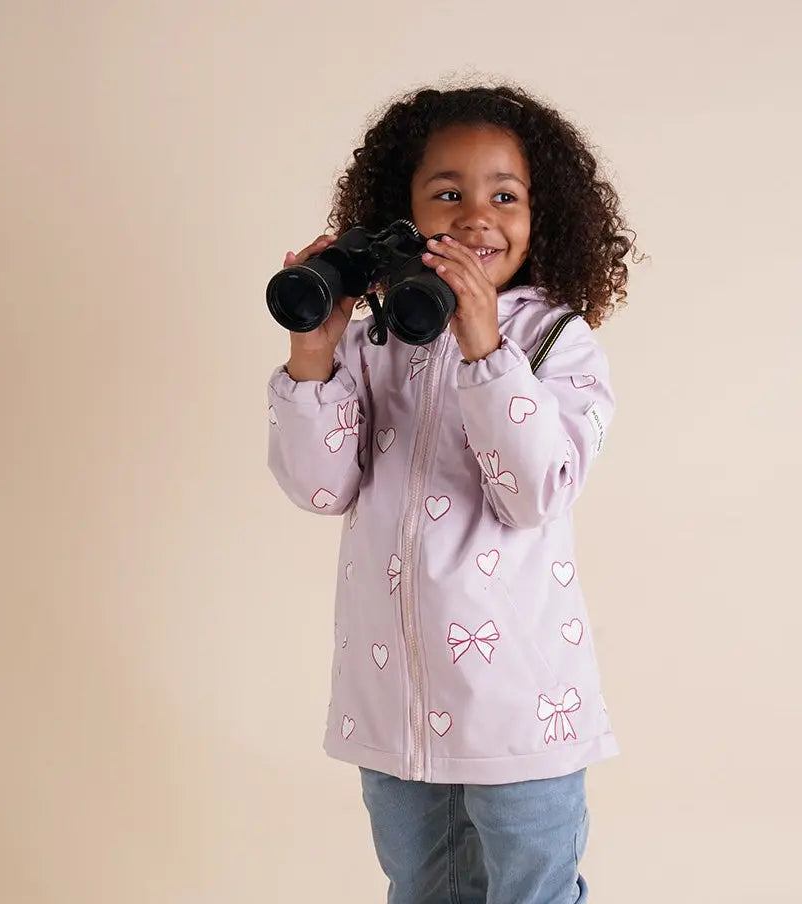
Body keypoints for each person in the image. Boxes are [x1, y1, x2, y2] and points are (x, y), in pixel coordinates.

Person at [266, 82, 634, 904]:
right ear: (402, 209)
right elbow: (319, 487)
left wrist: (484, 349)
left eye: (505, 195)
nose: (477, 215)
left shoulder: (555, 344)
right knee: (421, 887)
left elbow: (535, 490)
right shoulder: (377, 342)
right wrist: (314, 356)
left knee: (532, 891)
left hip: (518, 707)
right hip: (393, 701)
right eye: (447, 193)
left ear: (546, 217)